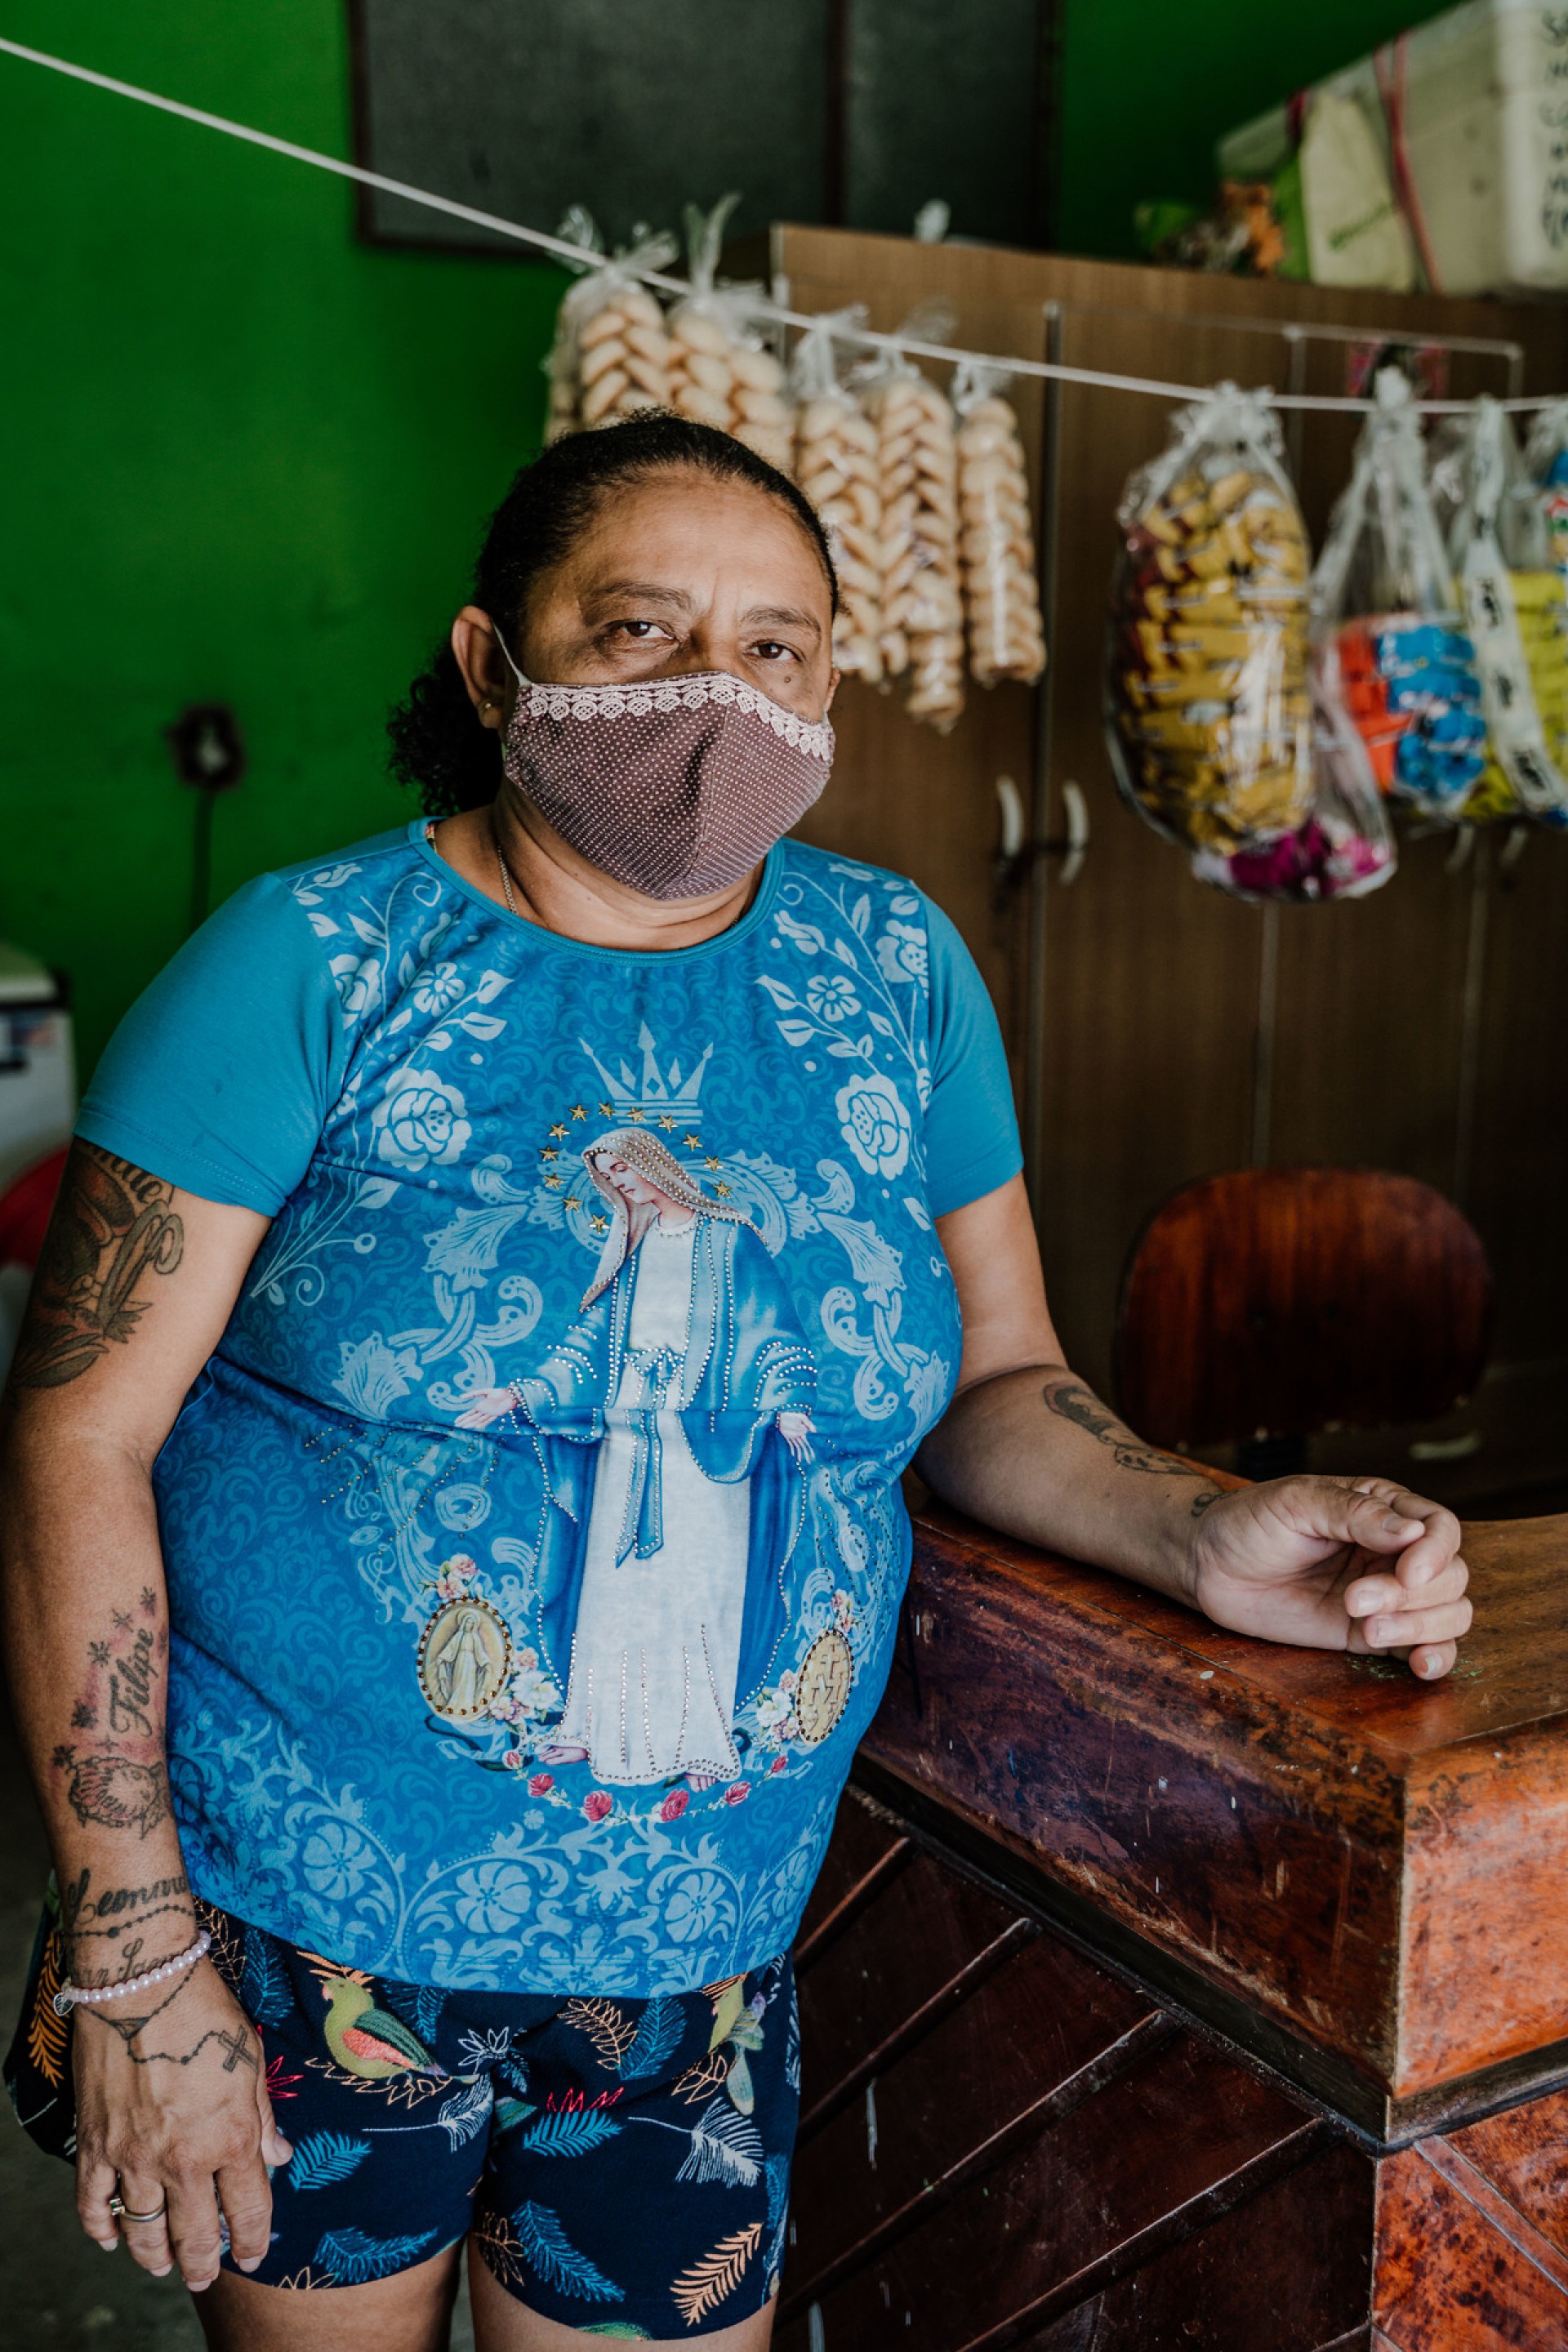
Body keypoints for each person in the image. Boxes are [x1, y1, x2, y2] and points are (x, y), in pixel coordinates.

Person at [0, 416, 1471, 2352]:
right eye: (638, 629)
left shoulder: (897, 971)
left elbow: (997, 1378)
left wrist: (1203, 1526)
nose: (719, 693)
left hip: (704, 1952)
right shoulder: (316, 964)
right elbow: (77, 1429)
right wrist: (130, 1939)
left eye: (777, 647)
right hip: (301, 1939)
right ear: (487, 663)